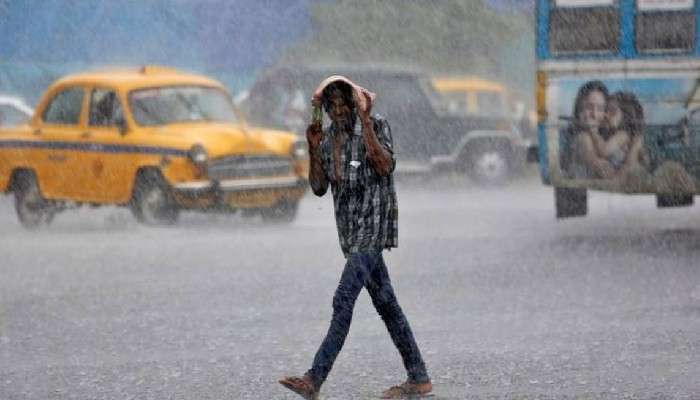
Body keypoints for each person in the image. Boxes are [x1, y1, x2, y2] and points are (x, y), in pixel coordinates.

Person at [278, 76, 432, 400]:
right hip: (351, 234)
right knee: (387, 305)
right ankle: (418, 376)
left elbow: (385, 165)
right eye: (331, 107)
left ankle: (314, 378)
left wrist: (365, 122)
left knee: (343, 299)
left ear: (354, 104)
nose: (337, 112)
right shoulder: (328, 139)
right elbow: (319, 187)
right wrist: (312, 147)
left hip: (373, 229)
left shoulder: (377, 126)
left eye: (343, 105)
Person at [567, 80, 616, 179]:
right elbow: (604, 172)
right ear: (579, 109)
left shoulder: (605, 138)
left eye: (600, 108)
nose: (594, 114)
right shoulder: (582, 138)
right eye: (589, 107)